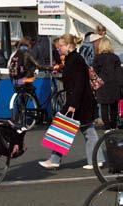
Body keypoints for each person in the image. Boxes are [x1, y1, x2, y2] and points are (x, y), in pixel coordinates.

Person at [39, 34, 105, 170]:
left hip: (79, 102)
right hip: (80, 101)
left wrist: (73, 104)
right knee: (82, 130)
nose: (59, 49)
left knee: (71, 129)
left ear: (69, 46)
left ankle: (56, 159)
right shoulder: (72, 59)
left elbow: (79, 84)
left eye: (61, 46)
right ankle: (96, 160)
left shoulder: (75, 60)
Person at [93, 37, 121, 131]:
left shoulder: (97, 58)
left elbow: (94, 74)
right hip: (114, 85)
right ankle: (113, 126)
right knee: (114, 108)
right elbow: (119, 74)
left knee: (104, 107)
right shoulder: (115, 58)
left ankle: (107, 128)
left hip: (102, 85)